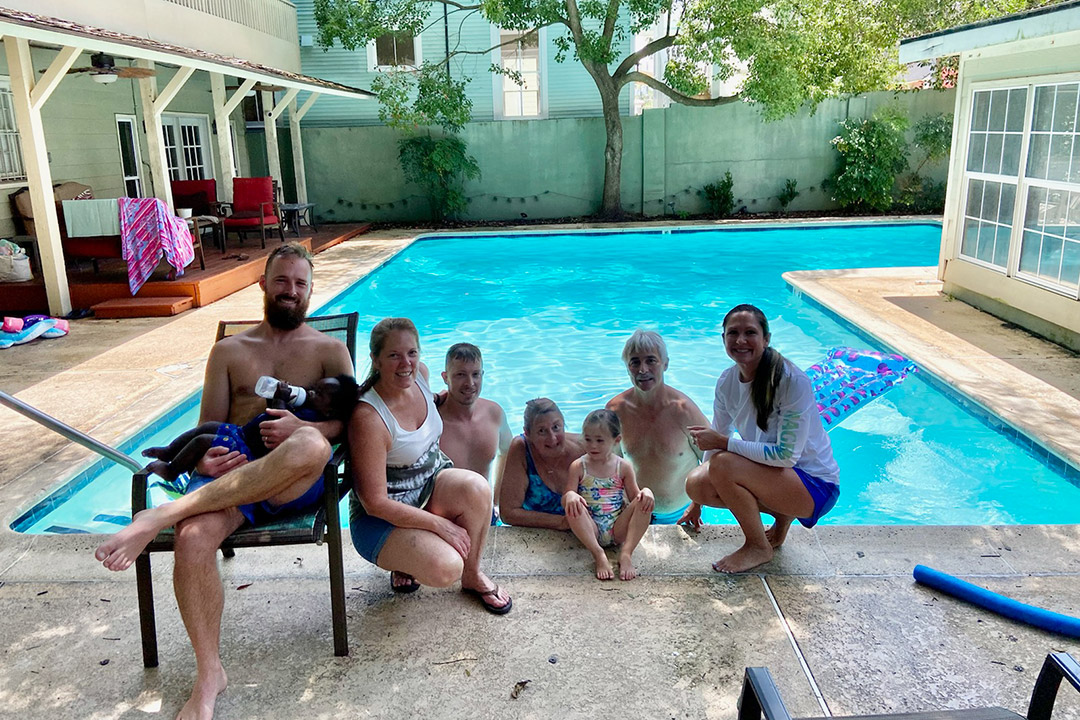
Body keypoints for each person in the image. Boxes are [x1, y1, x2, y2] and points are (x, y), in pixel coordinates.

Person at [93, 243, 354, 720]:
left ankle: (161, 514)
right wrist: (204, 462)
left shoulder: (330, 351)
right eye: (282, 281)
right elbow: (208, 424)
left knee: (313, 447)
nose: (290, 291)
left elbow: (349, 426)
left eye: (300, 283)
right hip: (231, 477)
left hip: (292, 480)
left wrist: (306, 429)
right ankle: (209, 673)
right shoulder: (229, 351)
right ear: (263, 285)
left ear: (312, 291)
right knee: (193, 538)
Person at [347, 318, 512, 613]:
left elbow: (431, 403)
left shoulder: (420, 377)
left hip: (429, 487)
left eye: (412, 353)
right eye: (394, 355)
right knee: (446, 567)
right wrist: (441, 526)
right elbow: (374, 503)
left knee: (478, 487)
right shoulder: (369, 418)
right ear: (375, 359)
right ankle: (404, 558)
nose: (405, 363)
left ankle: (472, 575)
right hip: (382, 521)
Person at [686, 304, 840, 573]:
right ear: (723, 339)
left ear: (766, 338)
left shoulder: (792, 381)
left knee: (724, 463)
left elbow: (785, 455)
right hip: (779, 479)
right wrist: (696, 504)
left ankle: (757, 546)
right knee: (696, 483)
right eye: (733, 333)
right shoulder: (727, 382)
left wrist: (723, 444)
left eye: (750, 332)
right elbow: (719, 432)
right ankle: (781, 518)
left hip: (815, 487)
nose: (741, 340)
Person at [142, 375, 358, 484]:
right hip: (242, 433)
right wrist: (275, 398)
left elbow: (277, 422)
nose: (310, 393)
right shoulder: (306, 407)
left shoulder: (314, 419)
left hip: (249, 451)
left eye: (319, 394)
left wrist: (279, 400)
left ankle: (172, 471)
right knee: (207, 427)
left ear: (330, 411)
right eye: (314, 388)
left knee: (203, 440)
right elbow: (270, 413)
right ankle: (170, 451)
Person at [606, 330, 710, 529]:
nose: (643, 369)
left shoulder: (684, 411)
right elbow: (606, 463)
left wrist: (698, 504)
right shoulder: (615, 411)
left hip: (680, 514)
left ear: (665, 364)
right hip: (632, 511)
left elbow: (712, 460)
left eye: (651, 360)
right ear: (627, 368)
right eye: (635, 362)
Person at [561, 409, 654, 580]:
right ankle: (598, 554)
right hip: (590, 528)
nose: (593, 445)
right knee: (572, 505)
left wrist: (646, 493)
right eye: (588, 439)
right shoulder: (578, 466)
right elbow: (566, 496)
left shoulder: (623, 467)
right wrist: (570, 496)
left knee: (645, 499)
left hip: (618, 528)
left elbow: (635, 498)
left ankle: (626, 554)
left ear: (616, 440)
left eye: (599, 440)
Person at [436, 343, 512, 519]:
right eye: (460, 375)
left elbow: (508, 454)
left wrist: (496, 501)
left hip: (484, 514)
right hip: (442, 516)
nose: (470, 383)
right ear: (445, 377)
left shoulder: (494, 414)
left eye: (475, 374)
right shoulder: (432, 418)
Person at [498, 398, 584, 530]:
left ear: (563, 424)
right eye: (542, 431)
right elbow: (508, 513)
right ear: (528, 433)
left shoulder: (585, 449)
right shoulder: (522, 449)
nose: (552, 438)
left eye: (556, 427)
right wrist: (561, 522)